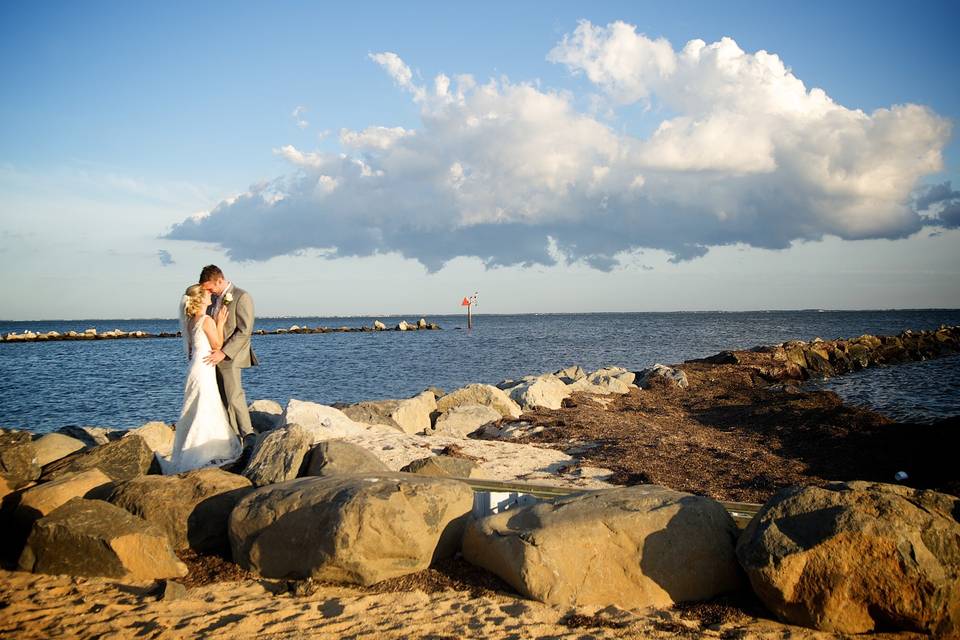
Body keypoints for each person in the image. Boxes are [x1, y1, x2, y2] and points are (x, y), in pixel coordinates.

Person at [165, 284, 242, 473]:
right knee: (205, 405)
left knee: (196, 405)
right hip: (205, 366)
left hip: (196, 367)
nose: (210, 296)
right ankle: (204, 452)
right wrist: (221, 322)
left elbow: (192, 348)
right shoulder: (206, 320)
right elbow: (217, 345)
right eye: (207, 294)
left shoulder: (191, 320)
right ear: (201, 299)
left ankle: (195, 447)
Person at [198, 265, 258, 444]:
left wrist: (224, 352)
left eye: (210, 288)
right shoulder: (212, 300)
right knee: (222, 400)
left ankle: (249, 435)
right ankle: (232, 437)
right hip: (212, 356)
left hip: (231, 356)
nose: (208, 292)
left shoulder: (241, 296)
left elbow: (245, 330)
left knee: (234, 397)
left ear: (219, 280)